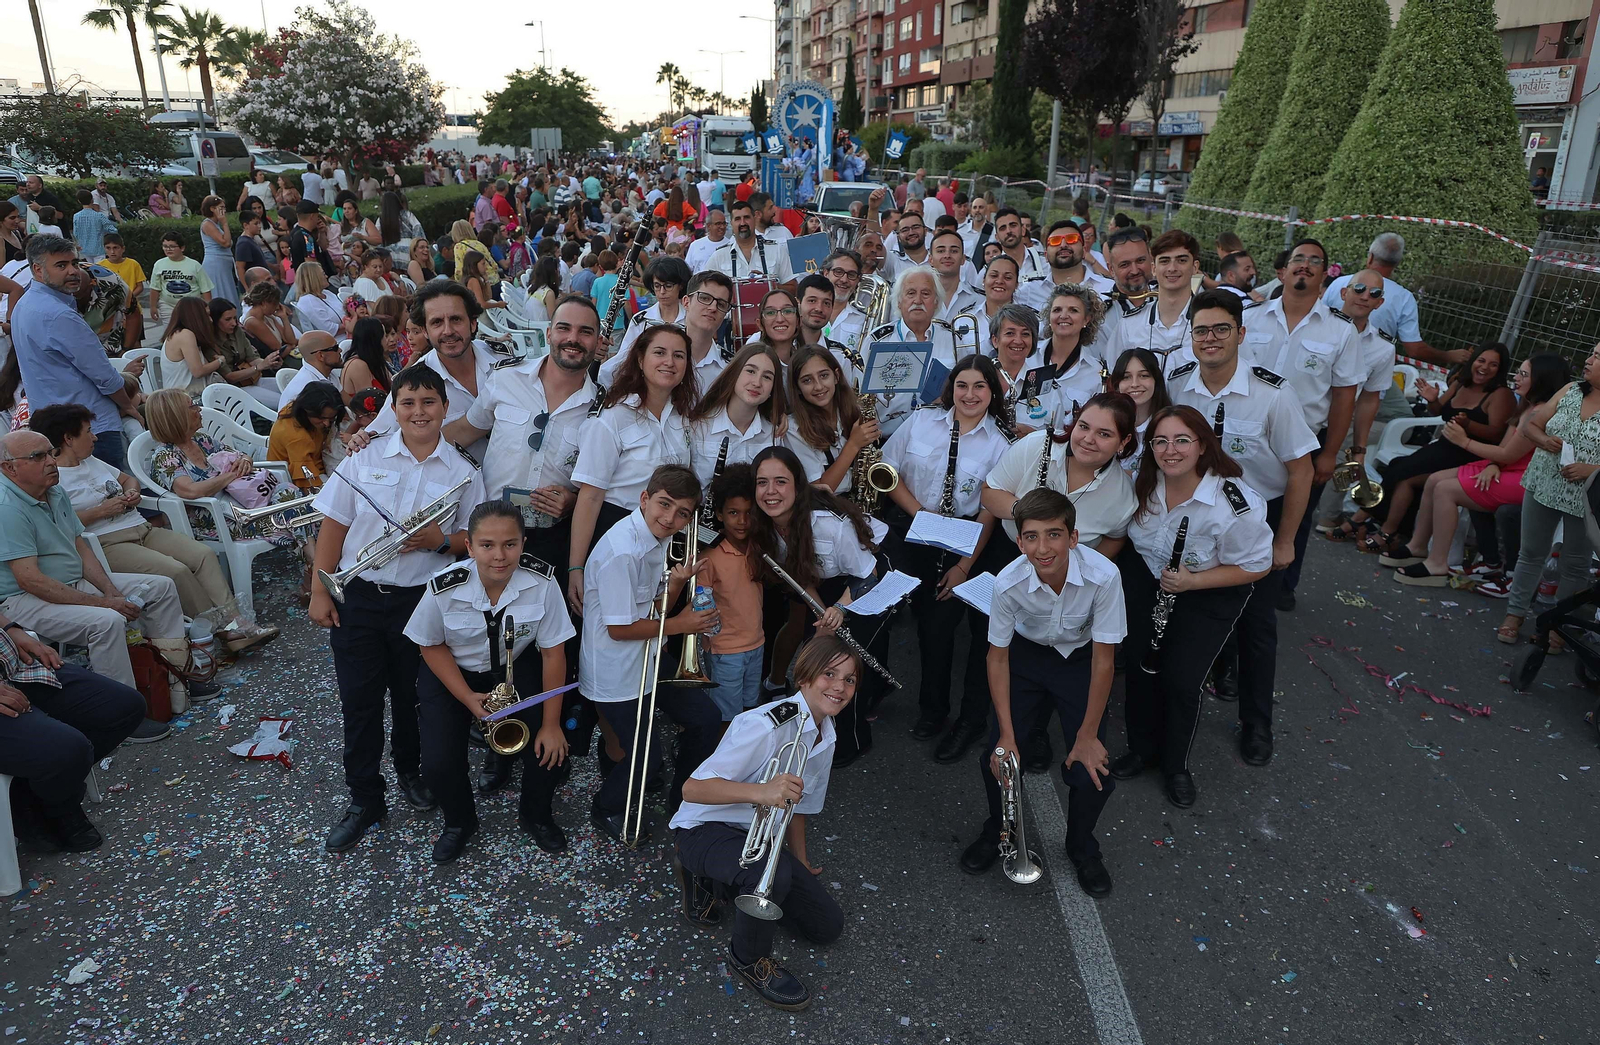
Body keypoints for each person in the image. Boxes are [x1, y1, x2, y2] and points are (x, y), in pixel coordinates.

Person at [308, 365, 485, 852]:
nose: (419, 412)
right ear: (395, 408)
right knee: (359, 702)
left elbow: (478, 539)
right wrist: (321, 590)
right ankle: (365, 798)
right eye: (407, 403)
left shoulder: (464, 473)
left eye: (429, 402)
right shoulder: (363, 458)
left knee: (411, 698)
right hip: (360, 595)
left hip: (421, 601)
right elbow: (335, 525)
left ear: (446, 409)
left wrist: (442, 540)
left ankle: (410, 772)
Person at [1166, 290, 1319, 763]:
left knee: (1257, 626)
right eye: (1201, 330)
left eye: (1220, 329)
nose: (1210, 339)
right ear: (1190, 336)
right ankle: (1198, 685)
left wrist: (1287, 541)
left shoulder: (1273, 393)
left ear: (1241, 334)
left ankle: (1257, 725)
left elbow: (1301, 471)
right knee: (1188, 608)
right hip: (1194, 514)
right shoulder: (1177, 384)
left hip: (1257, 520)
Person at [670, 634, 853, 1012]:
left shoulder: (827, 735)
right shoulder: (766, 725)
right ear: (804, 677)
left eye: (850, 679)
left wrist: (800, 860)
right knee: (770, 875)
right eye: (829, 674)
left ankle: (721, 879)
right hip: (703, 829)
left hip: (750, 838)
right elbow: (692, 789)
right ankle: (748, 958)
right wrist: (761, 792)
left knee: (826, 927)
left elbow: (798, 807)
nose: (839, 686)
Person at [957, 488, 1124, 895]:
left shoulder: (1105, 577)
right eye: (1031, 536)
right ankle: (998, 832)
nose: (1042, 547)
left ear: (1073, 537)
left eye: (1054, 534)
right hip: (1027, 659)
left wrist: (1086, 737)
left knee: (1091, 770)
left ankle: (1082, 847)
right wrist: (1007, 736)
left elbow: (1105, 661)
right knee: (997, 758)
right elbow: (996, 658)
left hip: (1080, 660)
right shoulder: (1008, 581)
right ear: (1019, 541)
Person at [1111, 406, 1274, 808]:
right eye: (1160, 441)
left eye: (1182, 440)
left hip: (1207, 592)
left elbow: (1256, 564)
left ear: (1202, 445)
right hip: (1151, 580)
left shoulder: (1235, 503)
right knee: (1140, 666)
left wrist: (1193, 581)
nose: (1170, 450)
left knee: (1182, 680)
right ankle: (1141, 749)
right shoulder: (1143, 483)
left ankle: (1175, 765)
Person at [0, 428, 216, 712]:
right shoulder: (7, 507)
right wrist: (105, 603)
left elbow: (81, 547)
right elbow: (30, 580)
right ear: (9, 468)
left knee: (160, 587)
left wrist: (111, 591)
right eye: (38, 456)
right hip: (22, 600)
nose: (51, 461)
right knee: (106, 621)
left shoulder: (53, 490)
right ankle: (124, 711)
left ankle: (175, 677)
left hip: (69, 582)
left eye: (51, 453)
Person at [406, 502, 574, 862]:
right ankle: (460, 822)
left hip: (516, 667)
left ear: (523, 543)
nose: (499, 556)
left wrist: (550, 724)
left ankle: (536, 814)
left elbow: (553, 653)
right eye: (487, 545)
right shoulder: (443, 588)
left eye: (510, 544)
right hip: (455, 672)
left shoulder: (543, 582)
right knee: (437, 762)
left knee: (553, 747)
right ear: (468, 547)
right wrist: (467, 698)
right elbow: (429, 644)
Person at [31, 403, 276, 650]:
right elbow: (57, 523)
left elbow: (128, 479)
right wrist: (101, 511)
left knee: (203, 555)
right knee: (175, 571)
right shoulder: (53, 478)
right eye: (88, 431)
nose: (95, 437)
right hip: (108, 542)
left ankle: (237, 622)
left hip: (141, 528)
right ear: (69, 439)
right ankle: (224, 630)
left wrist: (131, 493)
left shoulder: (91, 461)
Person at [882, 356, 1015, 764]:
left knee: (963, 629)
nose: (970, 394)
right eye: (962, 385)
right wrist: (921, 514)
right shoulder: (922, 421)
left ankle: (970, 719)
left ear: (992, 393)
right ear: (950, 388)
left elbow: (990, 511)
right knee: (930, 631)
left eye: (979, 386)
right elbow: (888, 469)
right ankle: (933, 710)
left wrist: (962, 566)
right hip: (918, 525)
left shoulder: (1001, 444)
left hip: (969, 540)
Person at [578, 464, 722, 842]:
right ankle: (606, 807)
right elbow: (619, 628)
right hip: (617, 671)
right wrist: (683, 624)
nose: (670, 518)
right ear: (644, 499)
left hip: (647, 655)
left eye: (683, 513)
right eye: (664, 504)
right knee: (645, 758)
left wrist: (674, 585)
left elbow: (652, 609)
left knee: (706, 718)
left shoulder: (653, 538)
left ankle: (683, 800)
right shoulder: (622, 552)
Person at [749, 446, 888, 765]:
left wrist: (838, 610)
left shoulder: (828, 525)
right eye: (762, 482)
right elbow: (802, 572)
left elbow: (868, 574)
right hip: (826, 579)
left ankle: (852, 742)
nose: (770, 492)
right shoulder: (766, 523)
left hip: (869, 571)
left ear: (797, 485)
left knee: (844, 660)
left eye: (780, 482)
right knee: (822, 647)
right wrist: (819, 610)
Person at [1392, 354, 1570, 587]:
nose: (1515, 378)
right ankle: (1417, 545)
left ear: (1542, 380)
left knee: (1446, 490)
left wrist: (1463, 441)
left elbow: (1509, 454)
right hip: (1507, 468)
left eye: (1524, 375)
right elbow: (1505, 450)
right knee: (1435, 479)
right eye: (1518, 372)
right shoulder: (1526, 405)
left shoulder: (1540, 413)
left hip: (1525, 479)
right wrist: (1493, 465)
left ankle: (1437, 563)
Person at [567, 326, 696, 613]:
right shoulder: (613, 419)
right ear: (640, 359)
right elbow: (589, 497)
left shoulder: (684, 419)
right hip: (616, 531)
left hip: (666, 534)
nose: (669, 362)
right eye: (659, 353)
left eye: (679, 356)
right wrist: (576, 566)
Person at [1355, 341, 1515, 559]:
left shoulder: (1500, 394)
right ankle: (1383, 527)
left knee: (1405, 475)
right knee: (1398, 465)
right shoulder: (1461, 383)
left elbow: (1498, 434)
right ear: (1473, 361)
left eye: (1493, 364)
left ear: (1500, 369)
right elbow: (1440, 411)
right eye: (1481, 360)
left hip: (1471, 453)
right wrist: (1432, 400)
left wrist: (1469, 425)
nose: (1485, 367)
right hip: (1445, 446)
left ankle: (1384, 530)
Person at [1494, 346, 1600, 647]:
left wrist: (1591, 469)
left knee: (1576, 564)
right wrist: (1545, 440)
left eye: (1597, 357)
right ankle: (1514, 614)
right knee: (1531, 553)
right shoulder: (1569, 390)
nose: (1588, 360)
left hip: (1588, 496)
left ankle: (1560, 626)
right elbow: (1532, 426)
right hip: (1544, 482)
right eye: (1591, 353)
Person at [10, 237, 142, 472]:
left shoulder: (26, 303)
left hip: (56, 424)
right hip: (90, 427)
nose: (73, 271)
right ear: (38, 270)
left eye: (75, 262)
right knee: (121, 497)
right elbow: (103, 375)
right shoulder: (58, 314)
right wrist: (129, 406)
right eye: (61, 265)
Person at [1321, 232, 1467, 368]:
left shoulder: (1339, 283)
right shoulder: (1403, 298)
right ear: (1397, 263)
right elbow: (1415, 350)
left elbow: (1320, 320)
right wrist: (1447, 356)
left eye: (1374, 294)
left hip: (1327, 363)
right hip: (1368, 369)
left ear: (1370, 257)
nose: (1365, 297)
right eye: (1359, 290)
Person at [853, 268, 957, 438]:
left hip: (938, 437)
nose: (918, 300)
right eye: (910, 293)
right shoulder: (877, 340)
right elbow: (858, 395)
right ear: (899, 302)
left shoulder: (953, 339)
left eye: (926, 293)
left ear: (937, 301)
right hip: (884, 438)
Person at [699, 464, 767, 723]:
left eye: (749, 513)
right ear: (719, 514)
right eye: (733, 513)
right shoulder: (709, 557)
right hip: (725, 650)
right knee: (726, 717)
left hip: (756, 643)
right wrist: (709, 641)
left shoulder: (758, 546)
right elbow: (700, 602)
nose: (742, 521)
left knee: (750, 707)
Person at [688, 344, 783, 498]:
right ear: (734, 373)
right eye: (750, 371)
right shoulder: (698, 426)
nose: (757, 383)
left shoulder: (775, 433)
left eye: (767, 377)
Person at [784, 345, 873, 496]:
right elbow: (820, 490)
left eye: (824, 376)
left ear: (836, 376)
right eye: (807, 380)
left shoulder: (854, 412)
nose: (818, 386)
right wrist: (853, 444)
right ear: (797, 388)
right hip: (825, 509)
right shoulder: (793, 429)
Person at [268, 382, 346, 492]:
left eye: (331, 419)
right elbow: (308, 484)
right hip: (299, 481)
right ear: (307, 410)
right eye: (322, 418)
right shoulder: (297, 437)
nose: (327, 424)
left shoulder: (294, 409)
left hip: (319, 466)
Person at [1108, 348, 1173, 476]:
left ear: (1156, 380)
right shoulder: (1105, 423)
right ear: (1117, 384)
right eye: (1126, 377)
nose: (1135, 384)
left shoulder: (1171, 425)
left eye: (1144, 376)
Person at [615, 256, 692, 358]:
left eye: (668, 286)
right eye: (657, 286)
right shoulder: (641, 320)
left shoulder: (692, 320)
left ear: (681, 285)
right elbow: (624, 356)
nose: (662, 291)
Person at [158, 296, 227, 399]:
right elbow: (198, 371)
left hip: (188, 396)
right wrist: (220, 361)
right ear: (196, 316)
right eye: (207, 315)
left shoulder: (179, 334)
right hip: (183, 399)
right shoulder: (185, 335)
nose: (211, 320)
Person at [147, 232, 215, 333]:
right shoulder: (159, 264)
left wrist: (208, 308)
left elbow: (205, 289)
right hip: (168, 305)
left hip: (191, 307)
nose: (168, 249)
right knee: (170, 332)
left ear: (182, 248)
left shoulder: (194, 265)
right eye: (165, 246)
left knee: (192, 332)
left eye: (172, 246)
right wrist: (152, 306)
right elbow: (155, 288)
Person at [98, 234, 146, 353]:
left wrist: (128, 299)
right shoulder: (100, 266)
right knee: (113, 344)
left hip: (132, 311)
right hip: (111, 312)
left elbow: (140, 286)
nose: (112, 251)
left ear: (122, 249)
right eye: (108, 248)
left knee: (135, 342)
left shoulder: (133, 264)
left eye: (116, 248)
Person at [197, 195, 239, 306]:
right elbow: (226, 242)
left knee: (228, 290)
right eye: (221, 207)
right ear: (212, 209)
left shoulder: (216, 224)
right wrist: (225, 223)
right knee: (220, 292)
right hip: (215, 263)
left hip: (223, 263)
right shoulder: (207, 224)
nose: (224, 210)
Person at [292, 262, 343, 335]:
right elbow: (330, 331)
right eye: (323, 274)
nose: (326, 276)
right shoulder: (308, 301)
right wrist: (354, 322)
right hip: (336, 341)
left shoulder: (326, 293)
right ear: (314, 278)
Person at [70, 190, 117, 264]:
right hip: (98, 249)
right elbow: (113, 230)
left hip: (84, 249)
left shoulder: (76, 216)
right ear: (92, 200)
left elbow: (76, 233)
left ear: (79, 201)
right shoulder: (100, 216)